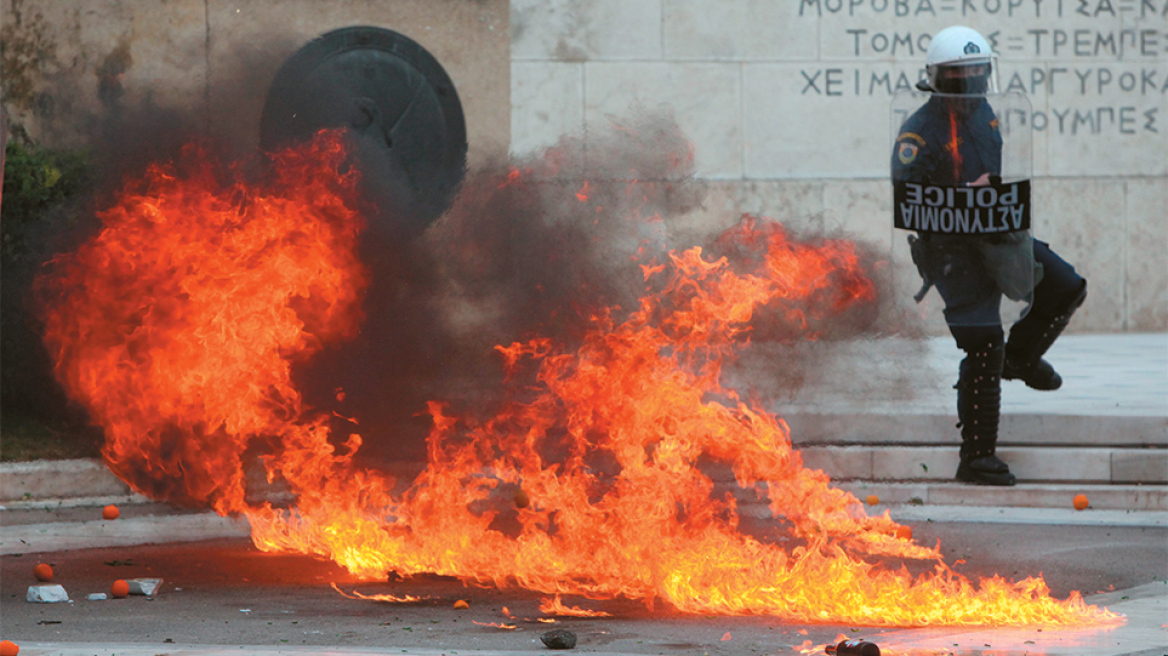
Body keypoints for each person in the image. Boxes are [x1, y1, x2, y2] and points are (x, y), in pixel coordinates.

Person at [892, 26, 1087, 486]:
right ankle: (976, 457)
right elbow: (908, 198)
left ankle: (1018, 359)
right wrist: (962, 193)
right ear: (939, 77)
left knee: (1064, 287)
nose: (972, 85)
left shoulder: (986, 115)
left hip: (996, 235)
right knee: (982, 342)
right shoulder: (918, 132)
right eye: (961, 76)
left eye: (979, 74)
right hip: (951, 251)